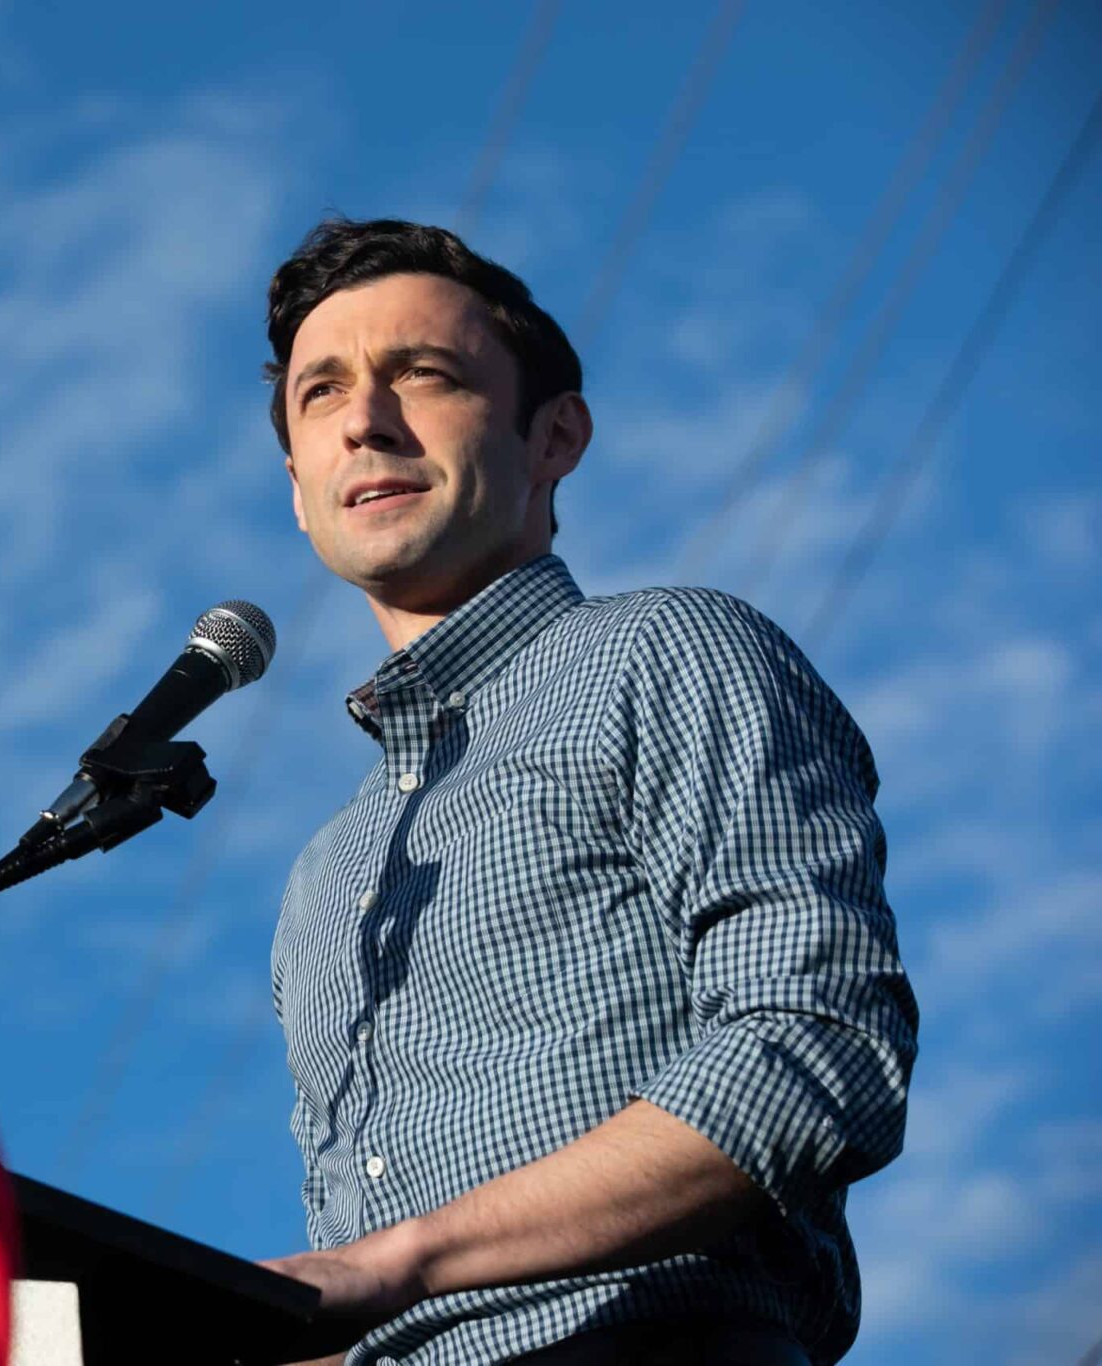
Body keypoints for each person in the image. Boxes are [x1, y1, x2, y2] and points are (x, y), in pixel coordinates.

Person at [253, 219, 917, 1366]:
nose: (363, 420)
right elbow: (338, 1278)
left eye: (424, 374)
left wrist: (397, 1262)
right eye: (321, 393)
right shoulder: (322, 875)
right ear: (297, 484)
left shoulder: (666, 651)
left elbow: (815, 1045)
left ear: (553, 436)